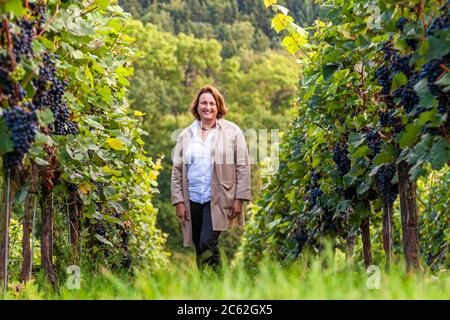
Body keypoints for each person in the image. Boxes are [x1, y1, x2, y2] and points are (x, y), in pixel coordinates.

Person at [170, 85, 251, 271]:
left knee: (208, 242)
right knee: (200, 246)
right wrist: (179, 202)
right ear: (197, 106)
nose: (208, 107)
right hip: (192, 199)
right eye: (203, 103)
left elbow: (243, 166)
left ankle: (219, 283)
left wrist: (239, 199)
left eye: (212, 103)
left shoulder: (232, 131)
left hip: (221, 198)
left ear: (218, 106)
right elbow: (177, 171)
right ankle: (210, 287)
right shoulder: (185, 135)